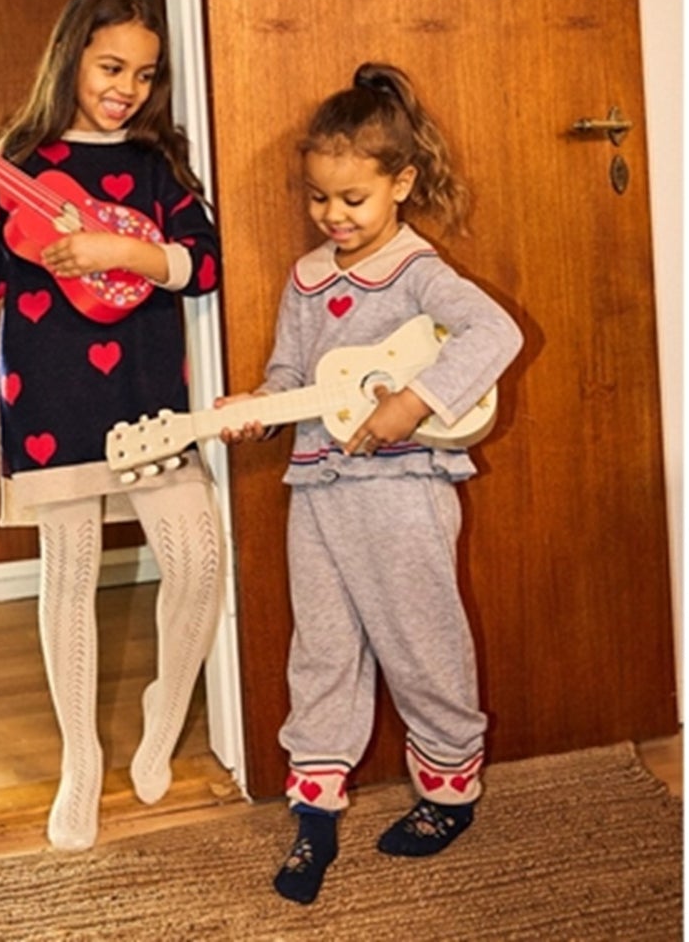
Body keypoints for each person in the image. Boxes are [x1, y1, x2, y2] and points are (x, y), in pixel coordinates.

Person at [0, 0, 225, 852]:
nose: (126, 87)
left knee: (198, 560)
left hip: (147, 397)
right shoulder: (19, 159)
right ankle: (81, 760)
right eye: (110, 66)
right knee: (70, 579)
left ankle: (163, 709)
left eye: (144, 72)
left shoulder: (158, 163)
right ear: (71, 58)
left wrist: (122, 249)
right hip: (49, 393)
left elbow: (204, 264)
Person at [217, 62, 523, 905]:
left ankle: (449, 790)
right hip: (317, 487)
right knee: (321, 646)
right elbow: (291, 376)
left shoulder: (419, 270)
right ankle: (315, 802)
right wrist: (257, 409)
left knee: (421, 637)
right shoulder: (306, 278)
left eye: (353, 198)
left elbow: (493, 332)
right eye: (320, 198)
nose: (334, 215)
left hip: (401, 488)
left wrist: (413, 403)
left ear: (402, 184)